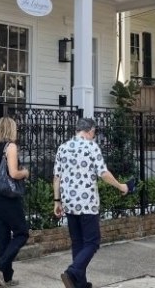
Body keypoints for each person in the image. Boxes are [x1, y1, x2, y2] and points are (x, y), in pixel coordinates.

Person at [53, 117, 129, 288]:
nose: (94, 136)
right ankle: (73, 272)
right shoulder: (91, 146)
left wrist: (57, 201)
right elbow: (103, 173)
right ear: (89, 131)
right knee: (92, 243)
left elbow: (56, 177)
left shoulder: (62, 148)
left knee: (78, 243)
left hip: (69, 203)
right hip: (87, 203)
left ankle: (79, 284)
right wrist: (121, 186)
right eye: (94, 133)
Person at [0, 117, 30, 287]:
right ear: (11, 129)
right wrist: (24, 172)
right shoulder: (10, 147)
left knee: (3, 236)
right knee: (22, 233)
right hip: (7, 197)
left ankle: (6, 278)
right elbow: (13, 173)